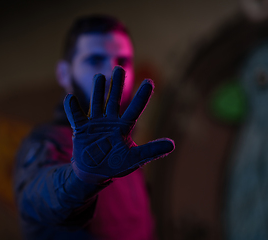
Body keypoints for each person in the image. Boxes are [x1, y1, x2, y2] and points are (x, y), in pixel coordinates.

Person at [13, 15, 175, 240]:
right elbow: (38, 196)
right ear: (64, 73)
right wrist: (79, 179)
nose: (111, 72)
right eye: (95, 60)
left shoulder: (125, 148)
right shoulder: (46, 142)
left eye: (123, 61)